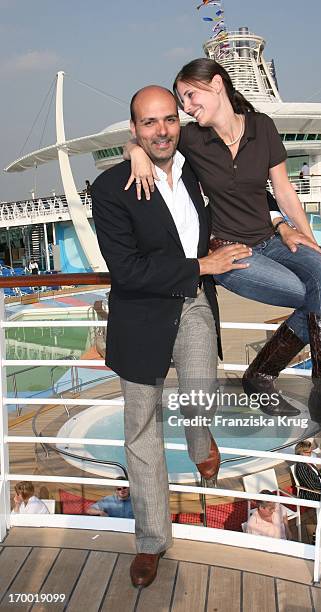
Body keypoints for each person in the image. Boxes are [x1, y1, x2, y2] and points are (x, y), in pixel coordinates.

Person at [124, 58, 321, 433]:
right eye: (182, 101)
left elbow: (283, 190)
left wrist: (302, 234)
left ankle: (318, 393)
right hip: (229, 251)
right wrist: (135, 152)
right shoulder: (193, 138)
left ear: (216, 84)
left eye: (190, 95)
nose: (187, 107)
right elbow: (150, 136)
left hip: (270, 239)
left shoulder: (263, 126)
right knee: (314, 296)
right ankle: (280, 382)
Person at [91, 85, 251, 589]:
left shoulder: (196, 168)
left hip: (195, 304)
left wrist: (282, 224)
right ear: (134, 128)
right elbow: (128, 270)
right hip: (142, 318)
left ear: (178, 122)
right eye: (148, 124)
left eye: (168, 120)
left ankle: (201, 439)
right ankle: (150, 541)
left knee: (202, 390)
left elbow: (241, 188)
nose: (160, 131)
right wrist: (203, 264)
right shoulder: (110, 188)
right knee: (141, 435)